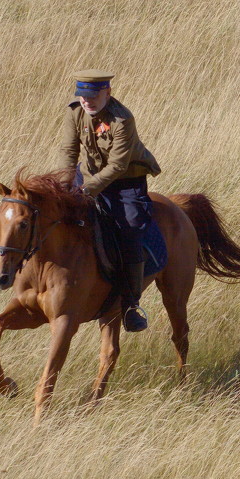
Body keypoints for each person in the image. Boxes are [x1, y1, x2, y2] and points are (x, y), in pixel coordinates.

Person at [55, 70, 161, 332]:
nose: (87, 101)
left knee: (131, 229)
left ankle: (130, 304)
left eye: (93, 96)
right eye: (82, 96)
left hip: (125, 184)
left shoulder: (122, 119)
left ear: (107, 93)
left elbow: (116, 166)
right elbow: (69, 151)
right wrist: (65, 185)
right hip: (87, 178)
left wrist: (86, 191)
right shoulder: (74, 112)